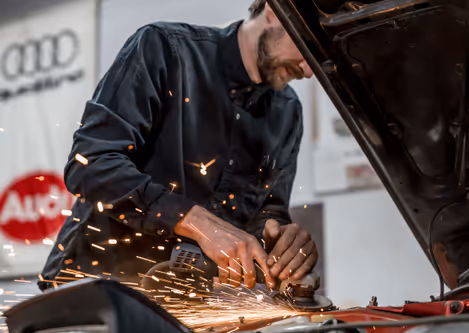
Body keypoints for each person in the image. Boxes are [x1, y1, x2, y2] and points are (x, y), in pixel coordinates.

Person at [39, 0, 317, 291]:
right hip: (98, 284)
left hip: (186, 299)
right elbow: (91, 164)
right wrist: (197, 222)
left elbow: (268, 212)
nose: (309, 70)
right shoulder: (164, 50)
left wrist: (282, 242)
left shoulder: (288, 112)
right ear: (275, 10)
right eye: (307, 45)